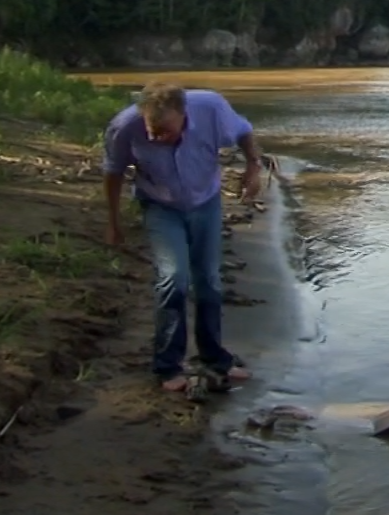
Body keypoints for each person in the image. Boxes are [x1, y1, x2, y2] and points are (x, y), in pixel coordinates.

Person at [103, 80, 266, 394]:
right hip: (160, 205)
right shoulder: (124, 128)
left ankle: (215, 358)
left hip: (205, 201)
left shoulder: (211, 108)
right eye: (151, 129)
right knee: (173, 278)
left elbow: (244, 130)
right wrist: (113, 223)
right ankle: (167, 365)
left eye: (164, 131)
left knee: (208, 280)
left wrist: (253, 167)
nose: (154, 137)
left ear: (184, 115)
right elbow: (113, 172)